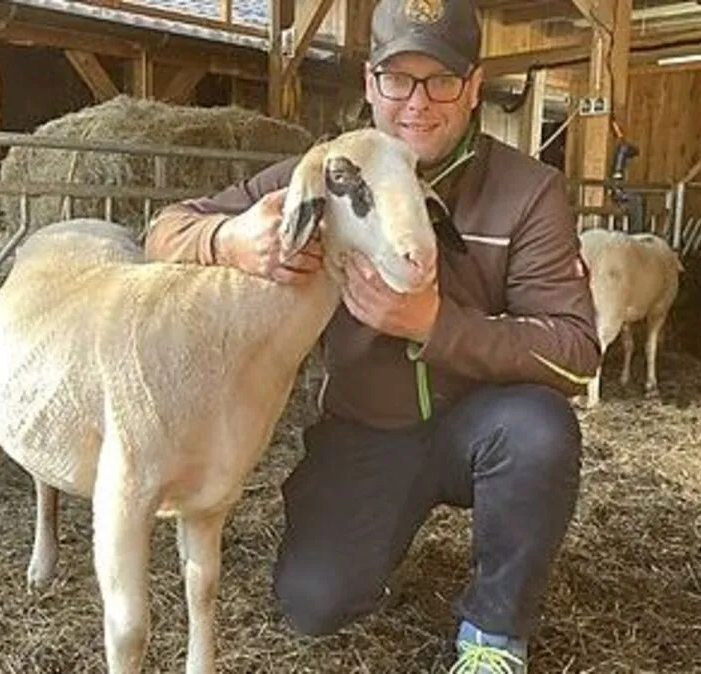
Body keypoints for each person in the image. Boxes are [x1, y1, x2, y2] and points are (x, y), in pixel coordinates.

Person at [143, 0, 600, 669]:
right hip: (365, 430)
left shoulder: (528, 193)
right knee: (312, 603)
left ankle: (494, 635)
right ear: (369, 84)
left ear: (473, 87)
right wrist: (229, 239)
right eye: (397, 79)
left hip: (482, 422)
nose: (417, 103)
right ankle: (374, 539)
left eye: (441, 80)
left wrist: (436, 325)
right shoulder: (330, 172)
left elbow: (575, 353)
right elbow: (163, 230)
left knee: (539, 430)